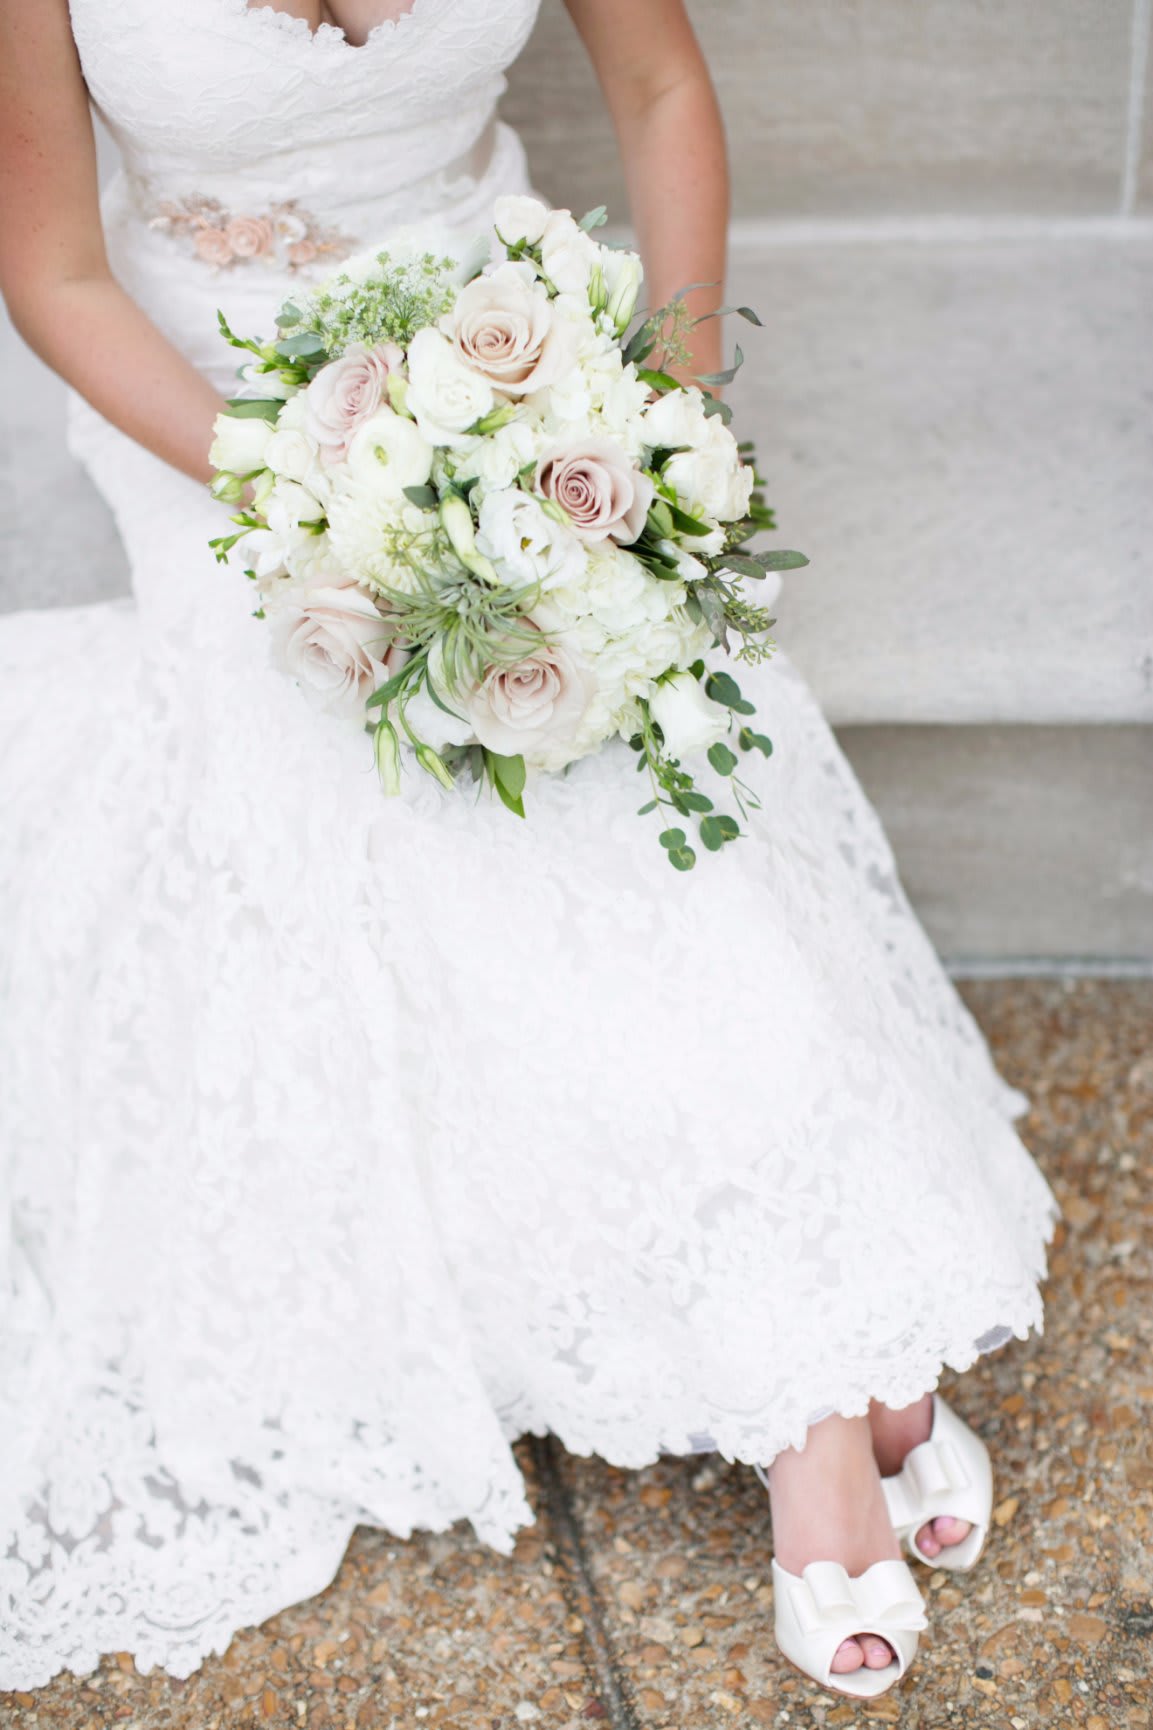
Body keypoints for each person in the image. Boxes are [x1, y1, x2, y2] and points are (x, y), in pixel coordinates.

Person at [0, 0, 1058, 1700]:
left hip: (503, 376)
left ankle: (808, 1364)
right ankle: (826, 1382)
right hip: (213, 423)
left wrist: (658, 431)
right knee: (406, 791)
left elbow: (659, 82)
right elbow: (56, 274)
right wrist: (313, 505)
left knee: (613, 757)